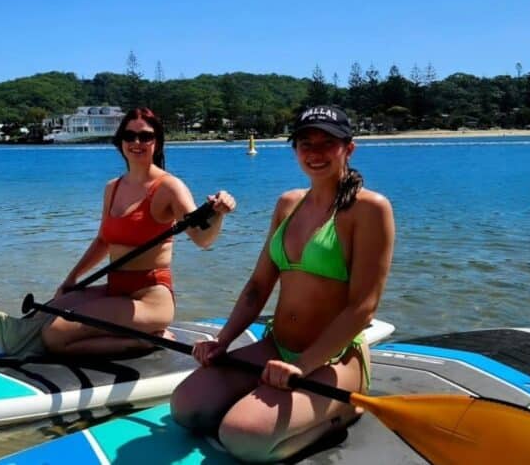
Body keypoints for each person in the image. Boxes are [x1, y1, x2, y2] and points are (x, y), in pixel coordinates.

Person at [170, 105, 395, 462]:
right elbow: (258, 286)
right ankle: (277, 409)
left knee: (241, 438)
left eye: (328, 143)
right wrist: (221, 342)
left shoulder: (370, 209)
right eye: (306, 143)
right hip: (276, 348)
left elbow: (363, 308)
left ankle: (343, 412)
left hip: (333, 360)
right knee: (186, 407)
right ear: (295, 150)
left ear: (348, 149)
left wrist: (303, 367)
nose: (315, 153)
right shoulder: (287, 203)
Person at [36, 107, 236, 356]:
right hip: (115, 289)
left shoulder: (169, 187)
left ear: (158, 142)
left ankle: (144, 340)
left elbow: (202, 238)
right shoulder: (113, 187)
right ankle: (122, 329)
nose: (136, 142)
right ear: (120, 142)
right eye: (129, 136)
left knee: (53, 335)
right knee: (44, 315)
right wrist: (70, 280)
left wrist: (218, 214)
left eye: (146, 136)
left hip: (149, 300)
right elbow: (102, 240)